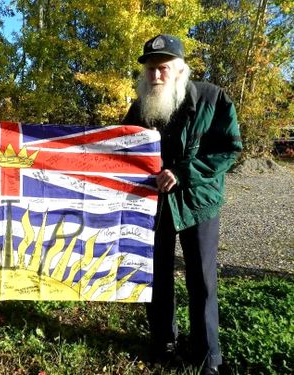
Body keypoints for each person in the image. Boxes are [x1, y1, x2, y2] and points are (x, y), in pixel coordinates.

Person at [123, 35, 242, 374]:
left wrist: (183, 173)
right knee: (157, 274)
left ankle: (208, 356)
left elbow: (227, 148)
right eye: (150, 70)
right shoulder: (140, 106)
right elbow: (116, 145)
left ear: (179, 69)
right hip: (154, 203)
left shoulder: (211, 98)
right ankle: (163, 343)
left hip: (198, 201)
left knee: (201, 279)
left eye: (162, 68)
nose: (155, 76)